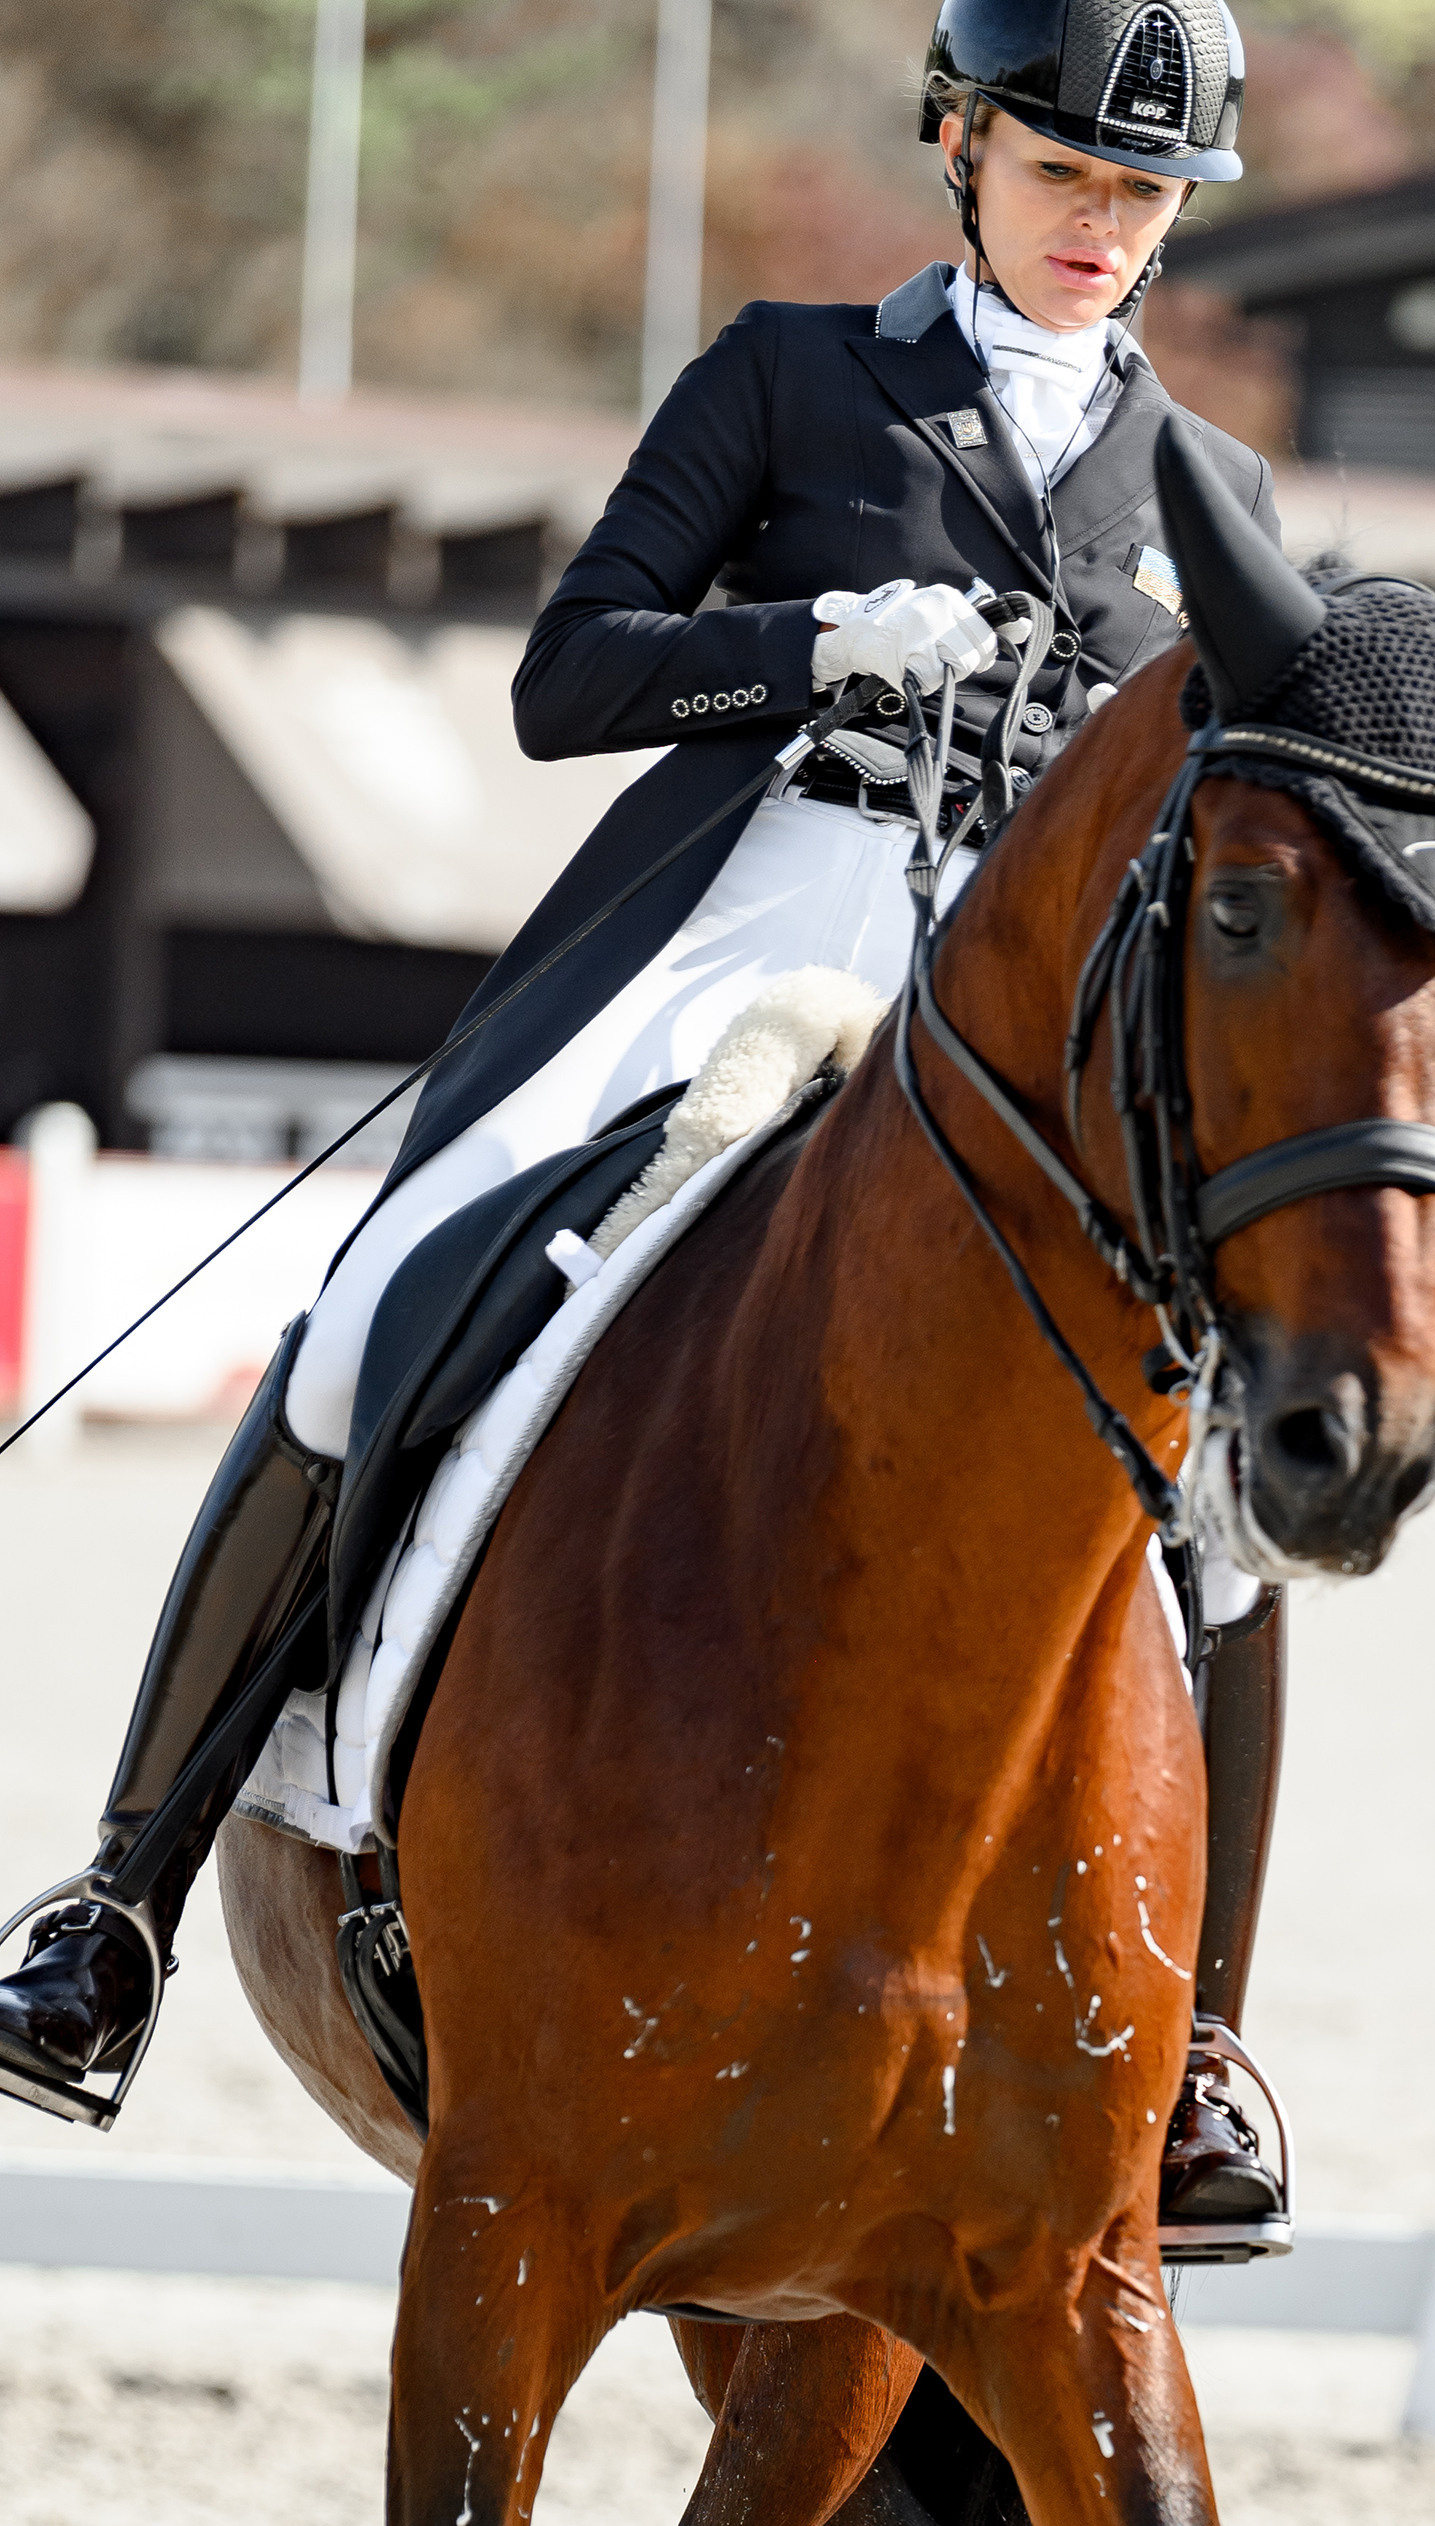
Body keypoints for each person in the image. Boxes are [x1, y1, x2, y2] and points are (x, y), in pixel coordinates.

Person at [0, 0, 1292, 2255]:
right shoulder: (793, 378)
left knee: (1227, 1480)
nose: (1109, 227)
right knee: (383, 1298)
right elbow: (570, 674)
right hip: (758, 915)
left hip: (1030, 1006)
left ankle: (1193, 2063)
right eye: (1068, 172)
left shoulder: (1220, 496)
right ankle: (116, 1904)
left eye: (1147, 192)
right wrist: (808, 646)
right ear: (963, 145)